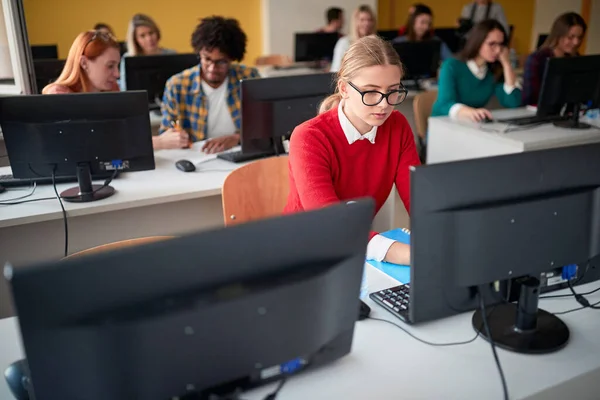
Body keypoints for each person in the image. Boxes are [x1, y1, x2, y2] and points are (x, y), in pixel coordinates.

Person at [284, 36, 420, 266]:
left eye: (393, 91)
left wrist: (443, 236)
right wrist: (412, 255)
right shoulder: (309, 137)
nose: (384, 104)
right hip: (304, 253)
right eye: (371, 92)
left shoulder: (397, 126)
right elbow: (331, 223)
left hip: (356, 248)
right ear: (344, 88)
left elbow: (419, 200)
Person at [43, 32, 192, 151]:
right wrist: (158, 142)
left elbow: (126, 135)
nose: (117, 74)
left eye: (117, 66)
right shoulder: (58, 95)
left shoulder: (111, 90)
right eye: (110, 66)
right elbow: (90, 146)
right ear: (84, 63)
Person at [160, 16, 260, 153]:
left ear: (232, 59)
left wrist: (238, 137)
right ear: (199, 53)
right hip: (197, 159)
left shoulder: (249, 78)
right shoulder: (177, 86)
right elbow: (166, 135)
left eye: (221, 62)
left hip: (239, 153)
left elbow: (263, 127)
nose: (212, 68)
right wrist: (173, 139)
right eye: (207, 59)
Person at [431, 19, 521, 122]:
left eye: (500, 45)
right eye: (492, 44)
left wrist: (506, 64)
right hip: (442, 126)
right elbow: (444, 104)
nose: (497, 50)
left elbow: (513, 102)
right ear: (478, 42)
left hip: (469, 126)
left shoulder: (492, 72)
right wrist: (469, 112)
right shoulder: (451, 66)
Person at [522, 12, 587, 106]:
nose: (576, 42)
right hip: (541, 115)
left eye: (579, 37)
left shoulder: (576, 59)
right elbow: (530, 99)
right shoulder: (536, 60)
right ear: (558, 35)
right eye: (571, 37)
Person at [119, 14, 176, 90]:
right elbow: (124, 89)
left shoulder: (171, 54)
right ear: (135, 40)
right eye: (142, 36)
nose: (149, 39)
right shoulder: (129, 59)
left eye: (151, 33)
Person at [330, 5, 376, 72]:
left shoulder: (377, 43)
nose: (367, 23)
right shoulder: (344, 42)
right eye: (362, 20)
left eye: (369, 20)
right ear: (355, 21)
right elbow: (336, 70)